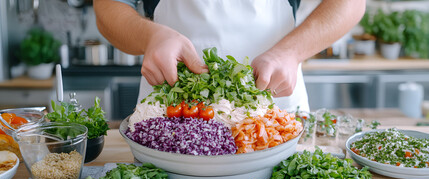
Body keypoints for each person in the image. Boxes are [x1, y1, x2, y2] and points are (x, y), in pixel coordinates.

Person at [93, 0, 366, 112]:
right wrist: (150, 37)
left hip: (273, 107)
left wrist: (291, 52)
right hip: (172, 109)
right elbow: (108, 9)